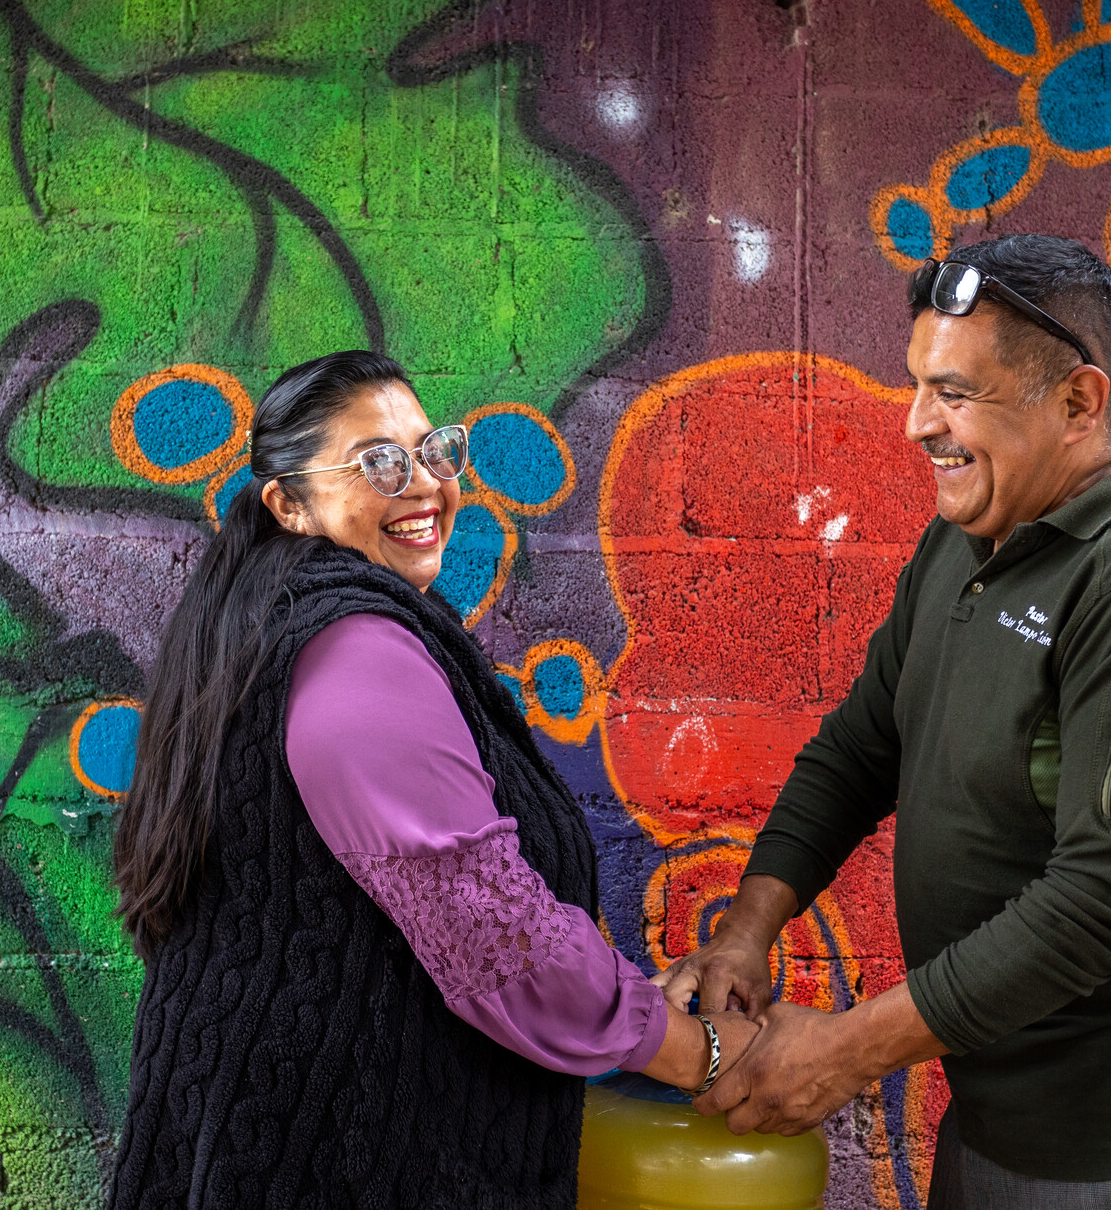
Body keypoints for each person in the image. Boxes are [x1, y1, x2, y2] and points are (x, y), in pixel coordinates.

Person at [656, 236, 1111, 1208]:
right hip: (997, 1118)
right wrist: (747, 930)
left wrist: (840, 1052)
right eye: (916, 384)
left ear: (1078, 403)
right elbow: (859, 747)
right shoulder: (965, 537)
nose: (916, 424)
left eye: (952, 392)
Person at [109, 350, 754, 1209]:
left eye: (433, 451)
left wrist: (633, 1002)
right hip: (330, 1160)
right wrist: (702, 1054)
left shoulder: (274, 618)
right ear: (288, 504)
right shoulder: (352, 652)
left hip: (269, 1136)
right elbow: (497, 940)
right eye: (379, 461)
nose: (424, 484)